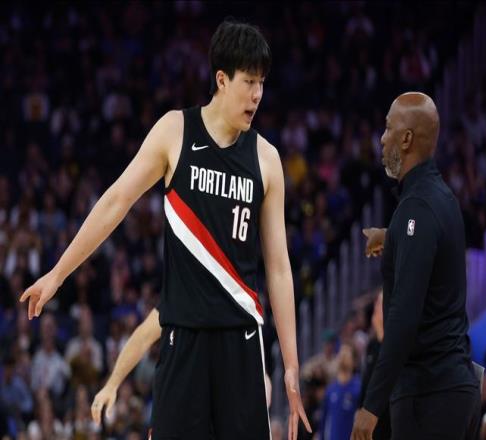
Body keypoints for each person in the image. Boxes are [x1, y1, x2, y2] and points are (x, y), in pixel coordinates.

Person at [20, 20, 311, 439]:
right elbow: (116, 201)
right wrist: (58, 273)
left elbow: (279, 268)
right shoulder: (176, 131)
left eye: (262, 83)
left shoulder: (266, 159)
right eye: (249, 82)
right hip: (183, 338)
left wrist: (291, 365)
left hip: (241, 338)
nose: (257, 95)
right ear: (222, 80)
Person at [351, 92, 481, 440]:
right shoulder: (441, 197)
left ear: (406, 139)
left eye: (388, 128)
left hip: (430, 395)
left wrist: (371, 406)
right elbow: (433, 252)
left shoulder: (417, 207)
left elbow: (404, 317)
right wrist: (391, 237)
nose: (382, 139)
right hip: (454, 390)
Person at [90, 308, 273, 425]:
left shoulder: (236, 308)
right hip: (177, 411)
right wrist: (112, 384)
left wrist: (259, 390)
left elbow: (260, 378)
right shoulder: (178, 297)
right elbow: (143, 337)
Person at [357, 290, 391, 440]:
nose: (376, 308)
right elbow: (366, 382)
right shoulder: (372, 345)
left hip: (386, 418)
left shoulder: (392, 346)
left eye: (379, 304)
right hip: (369, 414)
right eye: (376, 303)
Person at [318, 343, 361, 440]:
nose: (343, 357)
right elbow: (323, 421)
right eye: (341, 353)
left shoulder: (359, 388)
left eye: (347, 354)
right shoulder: (330, 389)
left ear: (354, 362)